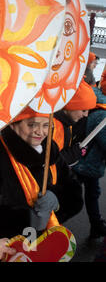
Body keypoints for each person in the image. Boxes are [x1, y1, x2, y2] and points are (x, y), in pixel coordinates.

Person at [0, 107, 83, 239]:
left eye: (46, 125)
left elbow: (74, 192)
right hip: (9, 248)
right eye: (32, 125)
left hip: (48, 240)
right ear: (14, 124)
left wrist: (57, 201)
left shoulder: (50, 150)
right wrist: (28, 220)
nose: (40, 132)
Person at [72, 86, 106, 238]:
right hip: (85, 163)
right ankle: (49, 230)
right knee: (70, 197)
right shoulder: (101, 114)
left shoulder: (95, 102)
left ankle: (96, 224)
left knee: (92, 193)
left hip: (84, 161)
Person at [53, 80, 97, 167]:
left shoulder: (67, 123)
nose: (86, 115)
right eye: (83, 110)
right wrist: (73, 153)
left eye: (88, 111)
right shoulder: (54, 126)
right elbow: (49, 162)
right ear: (71, 106)